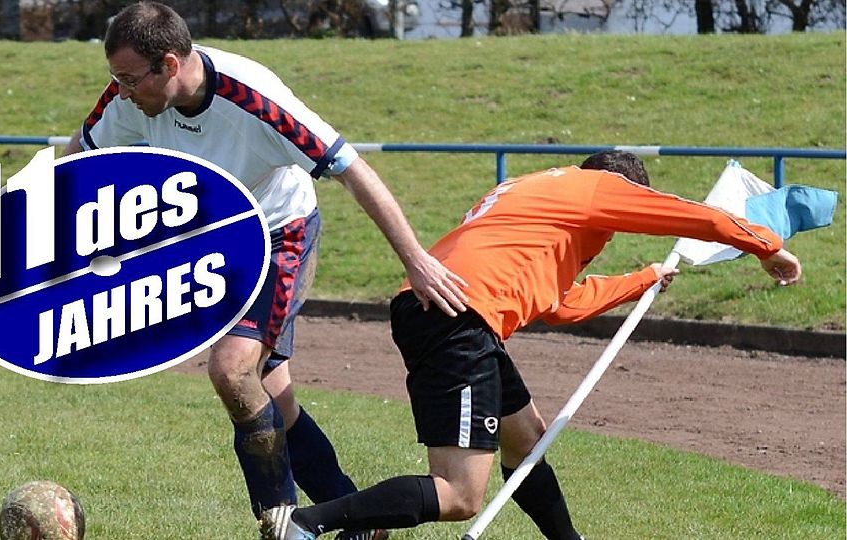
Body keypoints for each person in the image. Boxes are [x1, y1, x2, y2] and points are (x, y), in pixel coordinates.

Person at [60, 3, 468, 539]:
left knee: (232, 371)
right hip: (217, 238)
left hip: (280, 234)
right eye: (117, 78)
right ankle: (359, 521)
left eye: (131, 79)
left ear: (170, 64)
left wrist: (416, 260)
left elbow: (352, 169)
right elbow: (76, 159)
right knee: (273, 396)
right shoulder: (128, 97)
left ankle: (283, 522)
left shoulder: (254, 100)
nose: (122, 91)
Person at [259, 150, 802, 540]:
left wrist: (643, 280)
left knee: (527, 440)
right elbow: (692, 215)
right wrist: (766, 246)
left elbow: (559, 303)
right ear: (622, 189)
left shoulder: (531, 192)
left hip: (448, 310)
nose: (608, 236)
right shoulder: (598, 189)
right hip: (459, 320)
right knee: (460, 495)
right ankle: (306, 523)